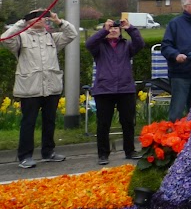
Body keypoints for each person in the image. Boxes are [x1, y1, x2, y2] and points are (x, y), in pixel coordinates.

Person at [1, 9, 77, 169]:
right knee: (28, 123)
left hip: (51, 87)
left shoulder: (51, 37)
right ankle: (25, 156)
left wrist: (58, 21)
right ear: (29, 20)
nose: (42, 19)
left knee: (49, 121)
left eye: (43, 17)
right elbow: (5, 39)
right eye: (37, 17)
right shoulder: (20, 38)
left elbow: (71, 34)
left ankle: (48, 152)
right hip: (30, 88)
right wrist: (23, 22)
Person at [85, 17, 144, 164]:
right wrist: (103, 30)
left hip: (125, 88)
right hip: (104, 89)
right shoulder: (99, 47)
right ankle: (103, 154)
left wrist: (130, 28)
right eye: (110, 29)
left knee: (128, 122)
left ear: (120, 32)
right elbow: (89, 43)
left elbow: (140, 44)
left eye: (115, 28)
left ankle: (130, 150)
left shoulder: (127, 46)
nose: (112, 30)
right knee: (103, 124)